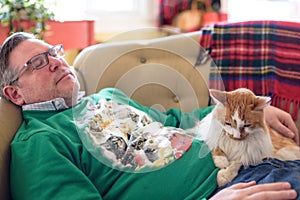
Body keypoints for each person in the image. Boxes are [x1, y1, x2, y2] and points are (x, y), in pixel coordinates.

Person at [0, 32, 299, 200]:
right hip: (227, 190)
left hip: (250, 159)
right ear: (15, 94)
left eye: (54, 51)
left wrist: (255, 112)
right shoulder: (40, 143)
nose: (56, 62)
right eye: (38, 62)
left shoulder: (107, 97)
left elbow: (177, 123)